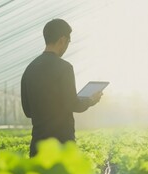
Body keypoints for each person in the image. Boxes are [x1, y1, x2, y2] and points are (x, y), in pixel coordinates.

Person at [21, 19, 102, 157]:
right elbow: (74, 104)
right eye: (68, 42)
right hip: (62, 144)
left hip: (38, 147)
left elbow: (28, 111)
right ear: (62, 40)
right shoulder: (64, 68)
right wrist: (90, 100)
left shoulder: (29, 69)